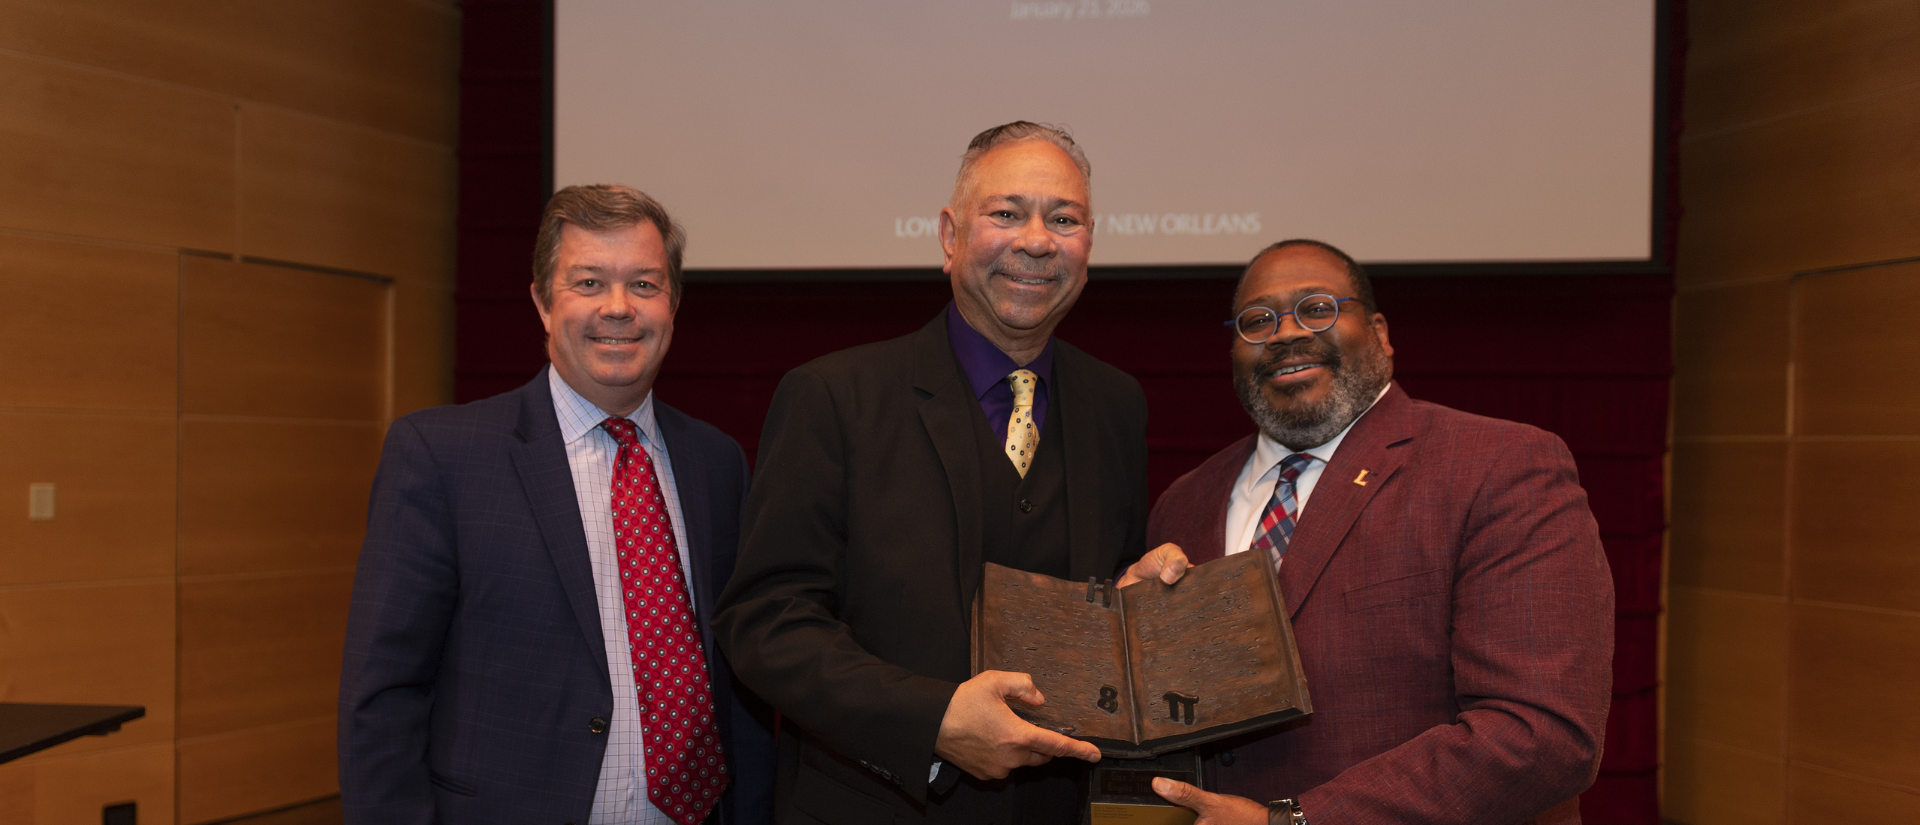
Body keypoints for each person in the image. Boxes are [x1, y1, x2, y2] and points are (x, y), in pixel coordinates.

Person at [712, 122, 1179, 823]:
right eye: (1006, 213)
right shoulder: (834, 397)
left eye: (1064, 219)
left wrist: (1128, 608)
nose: (1036, 241)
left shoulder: (1117, 404)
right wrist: (930, 719)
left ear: (1089, 244)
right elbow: (765, 621)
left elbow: (1088, 595)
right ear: (949, 236)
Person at [338, 185, 775, 825]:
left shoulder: (717, 462)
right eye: (589, 283)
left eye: (645, 285)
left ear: (674, 304)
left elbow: (739, 683)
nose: (619, 308)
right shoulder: (442, 456)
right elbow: (383, 694)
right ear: (544, 303)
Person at [1143, 240, 1614, 825]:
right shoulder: (1184, 503)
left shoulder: (1499, 466)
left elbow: (1542, 734)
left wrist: (1294, 823)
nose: (1285, 333)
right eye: (1257, 321)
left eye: (1317, 308)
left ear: (1381, 333)